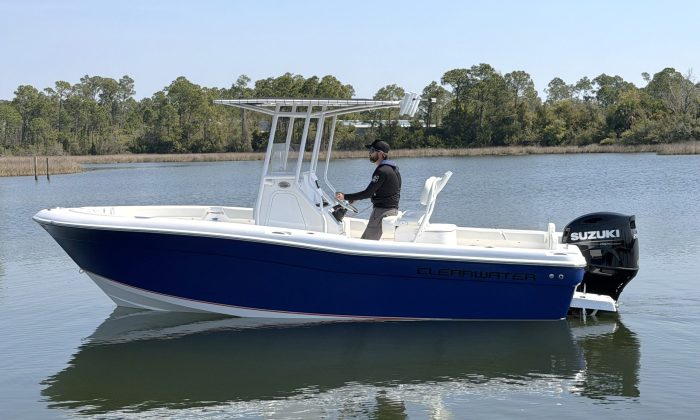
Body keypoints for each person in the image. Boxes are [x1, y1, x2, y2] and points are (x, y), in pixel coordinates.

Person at [335, 140, 401, 240]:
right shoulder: (393, 169)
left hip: (382, 212)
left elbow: (367, 193)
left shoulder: (382, 171)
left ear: (381, 153)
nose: (369, 153)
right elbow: (383, 191)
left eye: (372, 150)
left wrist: (345, 196)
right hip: (392, 209)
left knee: (366, 242)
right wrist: (354, 198)